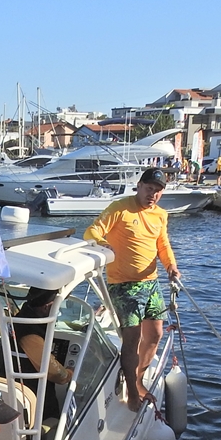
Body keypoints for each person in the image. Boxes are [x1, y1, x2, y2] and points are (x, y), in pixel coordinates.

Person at [82, 167, 181, 411]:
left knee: (156, 335)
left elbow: (163, 244)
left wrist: (171, 267)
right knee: (132, 339)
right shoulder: (120, 208)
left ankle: (137, 379)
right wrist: (104, 245)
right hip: (124, 285)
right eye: (149, 189)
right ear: (139, 185)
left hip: (152, 282)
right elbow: (91, 231)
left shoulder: (160, 215)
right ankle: (132, 392)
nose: (153, 195)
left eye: (158, 191)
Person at [10, 286, 74, 421]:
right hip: (33, 402)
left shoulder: (21, 318)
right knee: (50, 424)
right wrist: (68, 374)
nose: (58, 310)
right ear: (46, 308)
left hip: (18, 395)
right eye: (56, 306)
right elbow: (54, 372)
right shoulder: (30, 332)